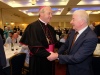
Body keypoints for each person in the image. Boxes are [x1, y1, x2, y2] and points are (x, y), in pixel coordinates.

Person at [47, 10, 98, 75]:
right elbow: (66, 45)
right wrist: (57, 53)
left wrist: (57, 56)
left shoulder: (91, 37)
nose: (71, 22)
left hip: (81, 71)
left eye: (73, 19)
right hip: (69, 69)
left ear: (81, 22)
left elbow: (77, 57)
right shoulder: (73, 31)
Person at [20, 6, 57, 75]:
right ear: (41, 13)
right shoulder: (32, 27)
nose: (51, 16)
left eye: (52, 14)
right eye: (49, 13)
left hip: (50, 58)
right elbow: (33, 47)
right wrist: (49, 55)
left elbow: (55, 43)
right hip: (38, 60)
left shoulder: (51, 28)